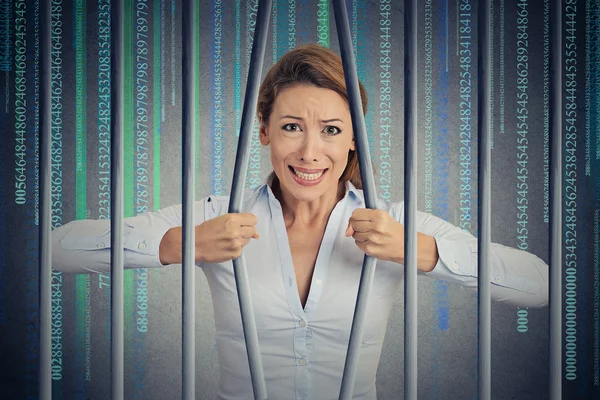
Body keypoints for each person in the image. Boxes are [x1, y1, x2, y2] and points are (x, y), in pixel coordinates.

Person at [52, 44, 549, 399]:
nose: (310, 152)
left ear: (353, 139)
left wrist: (420, 251)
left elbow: (538, 284)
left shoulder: (392, 222)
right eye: (292, 127)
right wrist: (181, 244)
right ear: (264, 131)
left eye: (331, 130)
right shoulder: (219, 216)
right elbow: (58, 248)